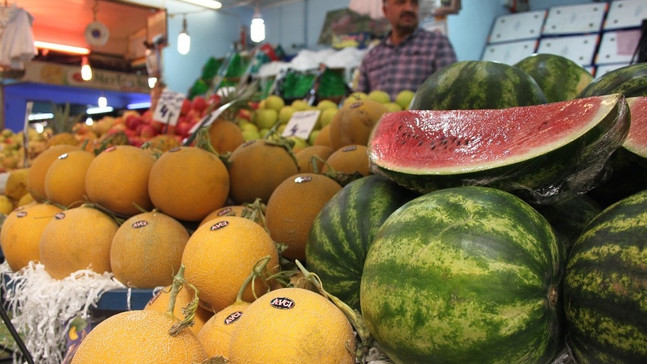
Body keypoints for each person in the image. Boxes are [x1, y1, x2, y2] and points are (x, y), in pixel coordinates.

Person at [356, 0, 458, 100]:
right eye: (401, 2)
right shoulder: (371, 56)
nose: (409, 8)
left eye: (414, 2)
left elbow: (452, 94)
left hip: (421, 117)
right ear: (386, 11)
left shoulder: (438, 44)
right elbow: (359, 102)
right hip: (378, 117)